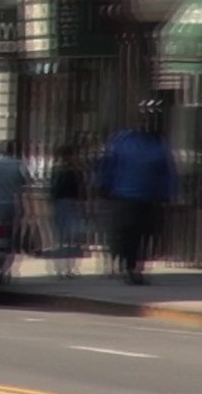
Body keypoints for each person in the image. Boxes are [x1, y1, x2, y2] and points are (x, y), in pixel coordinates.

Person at [96, 99, 177, 285]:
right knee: (133, 234)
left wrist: (167, 193)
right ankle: (130, 266)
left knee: (143, 234)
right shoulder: (126, 141)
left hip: (145, 198)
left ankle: (133, 265)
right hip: (128, 197)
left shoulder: (155, 144)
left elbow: (166, 172)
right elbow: (109, 165)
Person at [48, 144, 86, 278]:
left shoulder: (56, 169)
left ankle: (61, 269)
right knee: (70, 238)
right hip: (70, 203)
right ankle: (68, 268)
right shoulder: (75, 170)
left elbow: (52, 189)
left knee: (61, 238)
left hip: (60, 203)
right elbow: (80, 189)